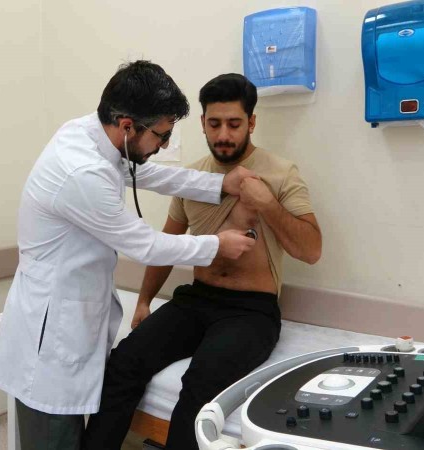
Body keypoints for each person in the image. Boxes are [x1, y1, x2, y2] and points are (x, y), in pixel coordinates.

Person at [0, 62, 259, 450]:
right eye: (162, 135)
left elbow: (148, 175)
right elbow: (146, 245)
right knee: (53, 440)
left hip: (66, 313)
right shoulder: (81, 172)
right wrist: (216, 245)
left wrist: (219, 184)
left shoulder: (94, 135)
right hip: (49, 338)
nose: (164, 145)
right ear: (128, 125)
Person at [83, 73, 322, 450]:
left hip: (251, 311)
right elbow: (166, 243)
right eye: (215, 123)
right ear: (202, 123)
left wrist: (267, 204)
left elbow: (311, 250)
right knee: (123, 363)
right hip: (196, 299)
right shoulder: (191, 178)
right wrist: (144, 301)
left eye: (234, 124)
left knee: (200, 386)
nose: (223, 134)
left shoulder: (279, 174)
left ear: (251, 122)